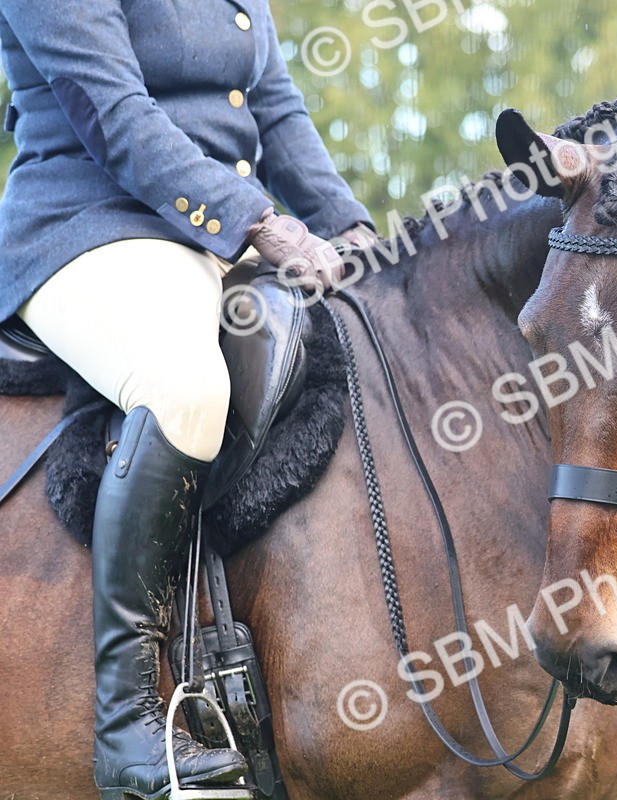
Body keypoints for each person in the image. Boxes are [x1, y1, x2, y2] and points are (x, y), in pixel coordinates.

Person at [0, 2, 377, 797]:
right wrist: (266, 226)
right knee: (185, 386)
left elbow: (274, 107)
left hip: (220, 247)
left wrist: (351, 228)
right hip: (90, 227)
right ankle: (130, 729)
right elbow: (113, 112)